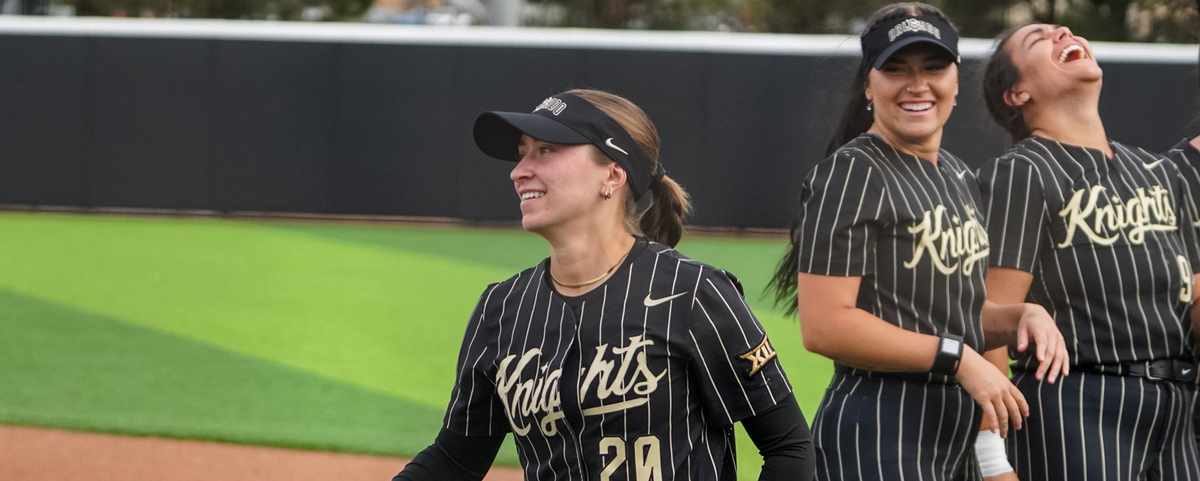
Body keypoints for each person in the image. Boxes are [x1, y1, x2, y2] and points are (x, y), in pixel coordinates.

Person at [393, 89, 815, 481]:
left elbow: (789, 447)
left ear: (612, 175)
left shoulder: (692, 294)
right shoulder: (502, 309)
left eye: (545, 150)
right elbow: (454, 461)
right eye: (522, 155)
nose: (520, 171)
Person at [768, 4, 1065, 480]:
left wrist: (1021, 316)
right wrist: (956, 357)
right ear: (869, 84)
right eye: (896, 69)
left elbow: (955, 316)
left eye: (933, 67)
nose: (917, 84)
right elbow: (825, 326)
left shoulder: (958, 174)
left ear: (956, 80)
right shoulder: (853, 172)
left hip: (953, 439)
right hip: (880, 432)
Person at [979, 23, 1200, 480]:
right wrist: (992, 456)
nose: (1062, 31)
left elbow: (1192, 297)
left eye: (1064, 30)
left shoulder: (1159, 172)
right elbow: (989, 320)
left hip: (1177, 411)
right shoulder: (1021, 173)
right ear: (1016, 93)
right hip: (1078, 410)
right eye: (1039, 39)